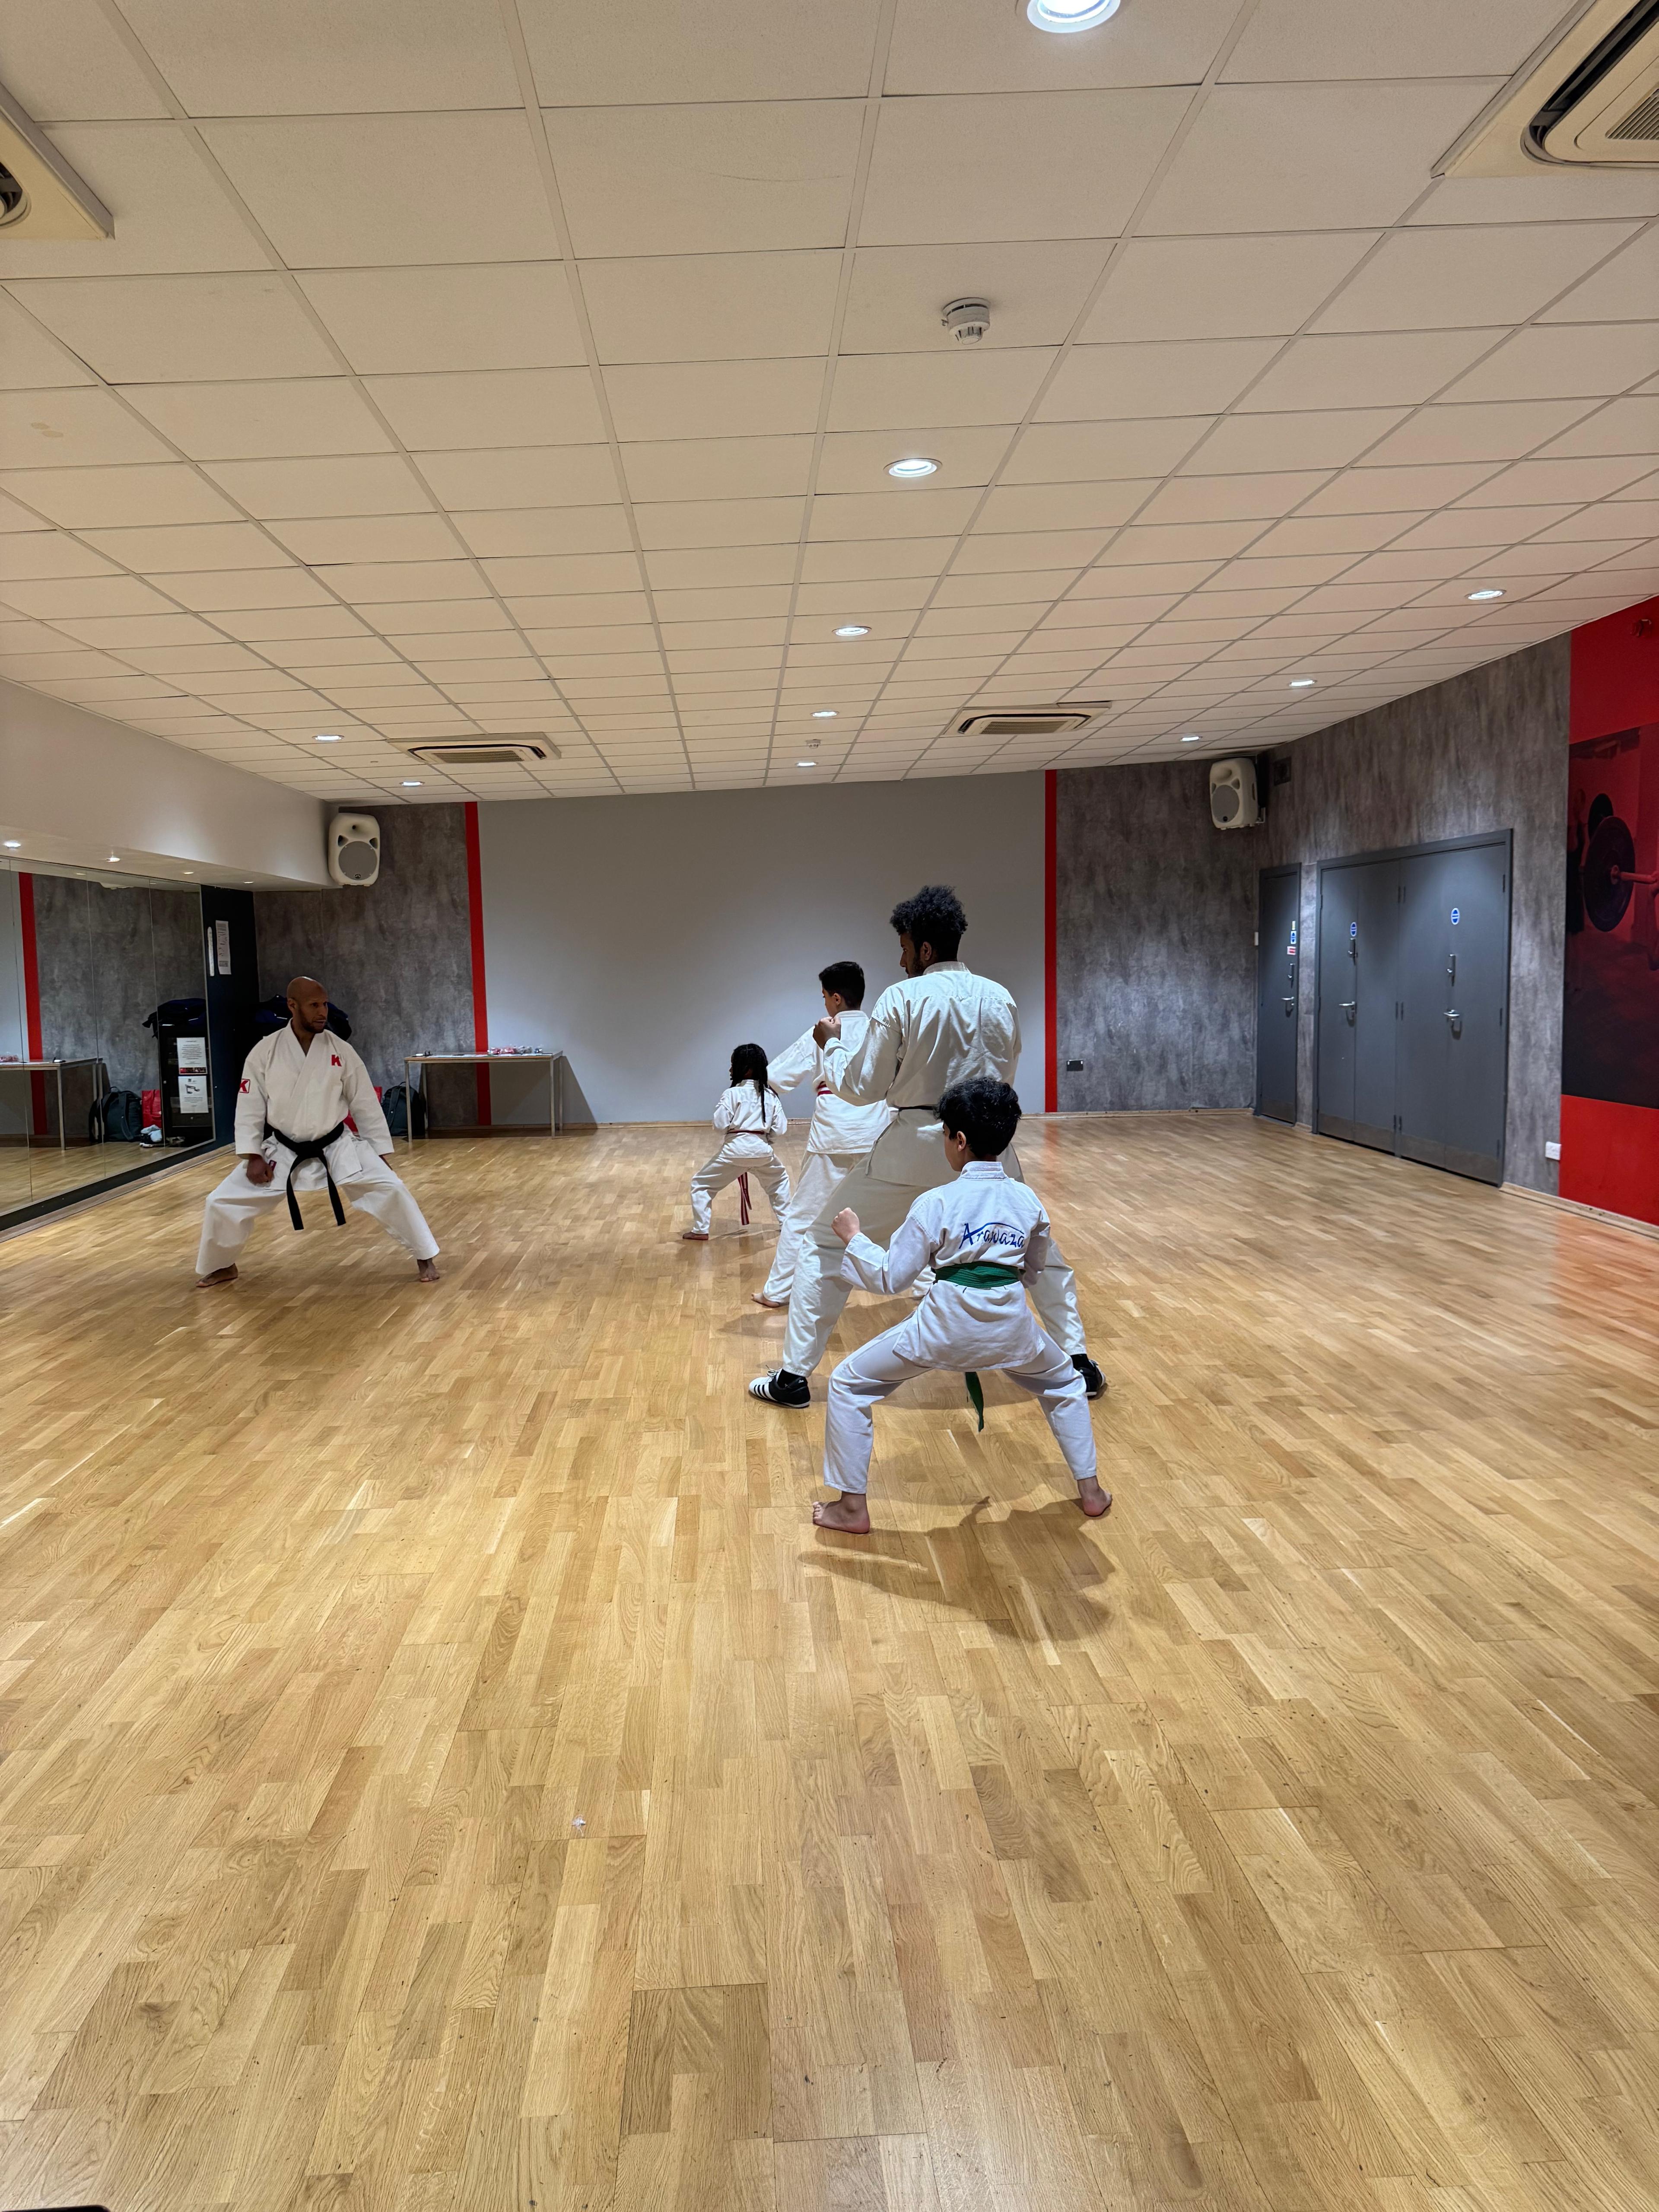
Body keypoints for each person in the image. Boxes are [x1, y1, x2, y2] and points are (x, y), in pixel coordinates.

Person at [749, 884, 1104, 1408]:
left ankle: (793, 1377)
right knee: (1041, 1250)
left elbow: (862, 1087)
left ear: (925, 950)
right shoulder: (1000, 996)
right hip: (987, 1149)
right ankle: (1077, 1361)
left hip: (914, 1147)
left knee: (826, 1244)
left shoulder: (901, 998)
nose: (899, 958)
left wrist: (834, 1043)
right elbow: (1004, 1076)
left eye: (903, 946)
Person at [814, 1077, 1109, 1532]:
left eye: (946, 1133)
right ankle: (1091, 1492)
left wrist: (854, 1239)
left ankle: (852, 1507)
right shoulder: (1027, 1199)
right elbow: (1032, 1272)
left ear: (959, 1140)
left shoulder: (935, 1202)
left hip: (940, 1330)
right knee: (1067, 1384)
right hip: (1014, 1330)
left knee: (848, 1384)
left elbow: (893, 1277)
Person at [195, 975, 439, 1287]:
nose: (323, 1012)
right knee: (222, 1201)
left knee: (392, 1188)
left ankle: (425, 1255)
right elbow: (249, 1107)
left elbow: (364, 1102)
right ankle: (222, 1265)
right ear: (292, 1006)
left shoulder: (341, 1050)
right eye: (314, 1005)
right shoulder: (264, 1052)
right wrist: (253, 1154)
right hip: (283, 1149)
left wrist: (380, 1152)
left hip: (337, 1146)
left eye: (324, 1004)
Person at [753, 960, 892, 1309]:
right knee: (897, 1216)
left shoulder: (822, 1032)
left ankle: (777, 1292)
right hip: (878, 1132)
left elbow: (776, 1077)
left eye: (824, 997)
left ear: (835, 999)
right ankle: (925, 1285)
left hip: (832, 1136)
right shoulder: (883, 1030)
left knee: (802, 1217)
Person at [683, 1042, 791, 1241]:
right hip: (763, 1151)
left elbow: (720, 1125)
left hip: (733, 1151)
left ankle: (700, 1230)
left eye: (734, 1065)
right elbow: (780, 1129)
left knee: (702, 1185)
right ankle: (788, 1225)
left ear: (747, 1069)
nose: (730, 1069)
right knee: (779, 1183)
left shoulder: (732, 1094)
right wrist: (765, 1141)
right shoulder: (770, 1096)